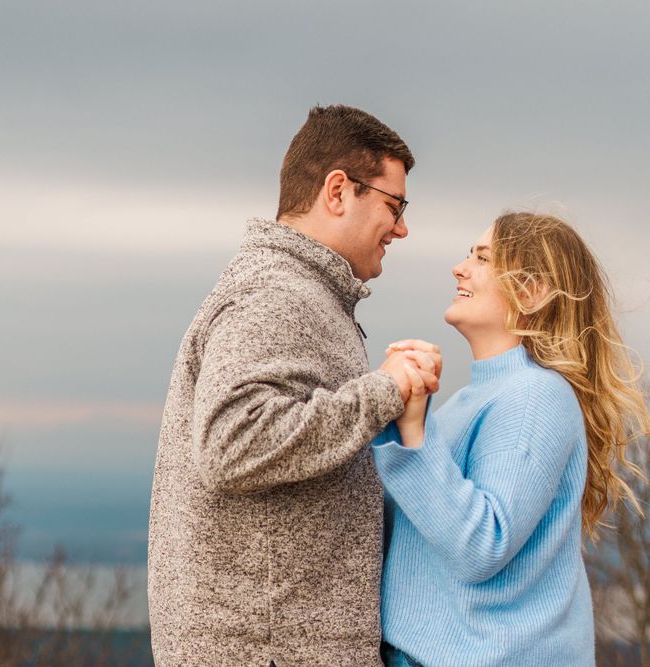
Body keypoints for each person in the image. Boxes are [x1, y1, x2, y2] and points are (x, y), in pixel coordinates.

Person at [147, 104, 441, 667]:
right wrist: (382, 392)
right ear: (338, 191)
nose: (402, 227)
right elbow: (233, 444)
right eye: (394, 205)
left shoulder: (303, 295)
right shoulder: (276, 295)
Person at [374, 212, 650, 666]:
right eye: (469, 254)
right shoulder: (473, 400)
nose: (460, 267)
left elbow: (481, 546)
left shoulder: (535, 396)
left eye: (483, 258)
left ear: (532, 291)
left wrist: (412, 434)